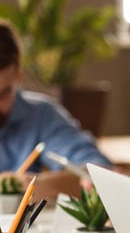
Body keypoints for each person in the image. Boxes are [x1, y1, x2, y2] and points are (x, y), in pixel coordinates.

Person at [0, 20, 111, 196]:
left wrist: (33, 185)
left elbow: (98, 169)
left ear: (18, 76)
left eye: (3, 93)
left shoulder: (42, 115)